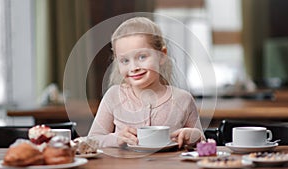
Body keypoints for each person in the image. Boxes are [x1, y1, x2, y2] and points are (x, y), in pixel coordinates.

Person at [88, 17, 205, 148]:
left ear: (162, 55)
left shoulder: (183, 99)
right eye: (125, 60)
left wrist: (194, 136)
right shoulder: (113, 96)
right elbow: (92, 140)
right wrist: (116, 139)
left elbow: (203, 143)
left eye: (142, 57)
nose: (134, 67)